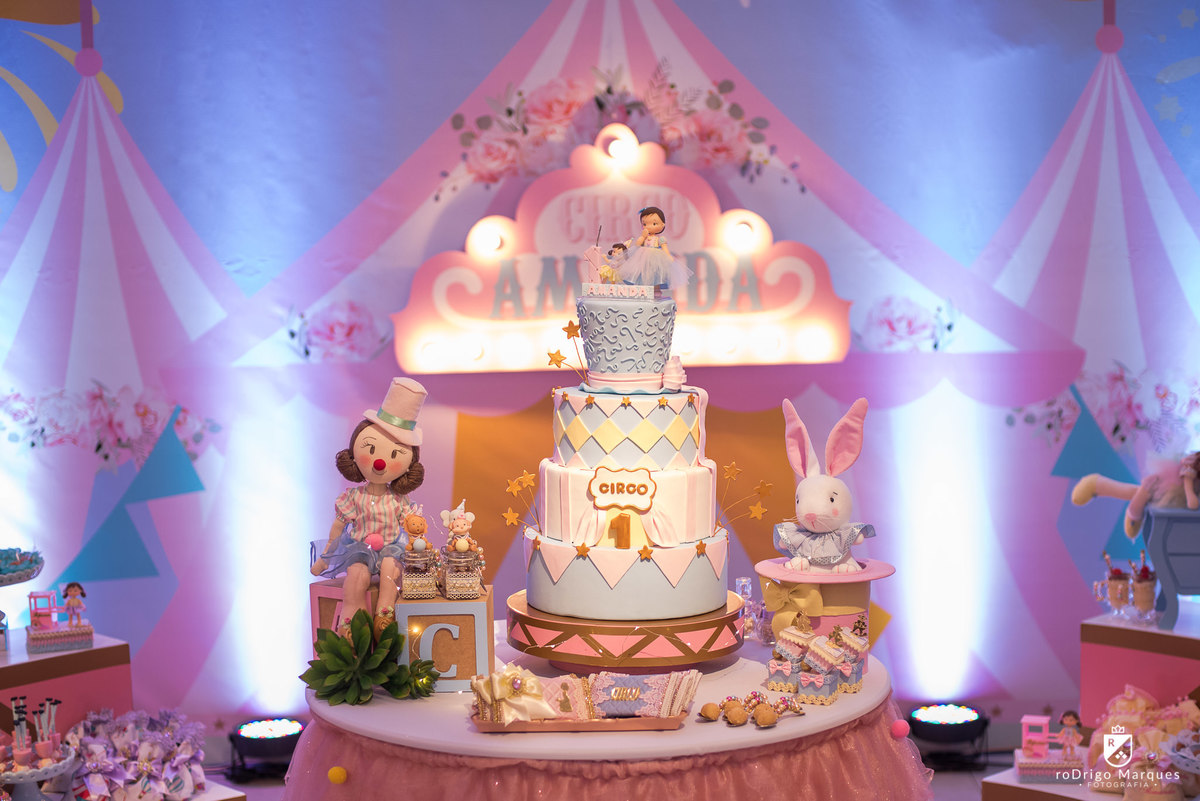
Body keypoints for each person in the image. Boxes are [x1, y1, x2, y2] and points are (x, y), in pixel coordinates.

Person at [312, 378, 427, 639]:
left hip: (390, 549)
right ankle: (352, 627)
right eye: (371, 449)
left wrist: (421, 549)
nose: (379, 463)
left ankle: (384, 617)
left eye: (394, 455)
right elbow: (338, 527)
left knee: (389, 571)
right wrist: (325, 558)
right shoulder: (353, 497)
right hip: (359, 549)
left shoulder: (398, 500)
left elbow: (413, 528)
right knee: (355, 577)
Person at [618, 206, 689, 289]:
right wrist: (643, 236)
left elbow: (665, 249)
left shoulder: (660, 239)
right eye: (644, 224)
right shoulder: (644, 237)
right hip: (642, 257)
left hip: (655, 258)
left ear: (662, 225)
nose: (649, 226)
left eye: (654, 224)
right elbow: (637, 245)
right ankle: (643, 289)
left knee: (656, 274)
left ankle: (656, 289)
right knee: (642, 272)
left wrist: (668, 256)